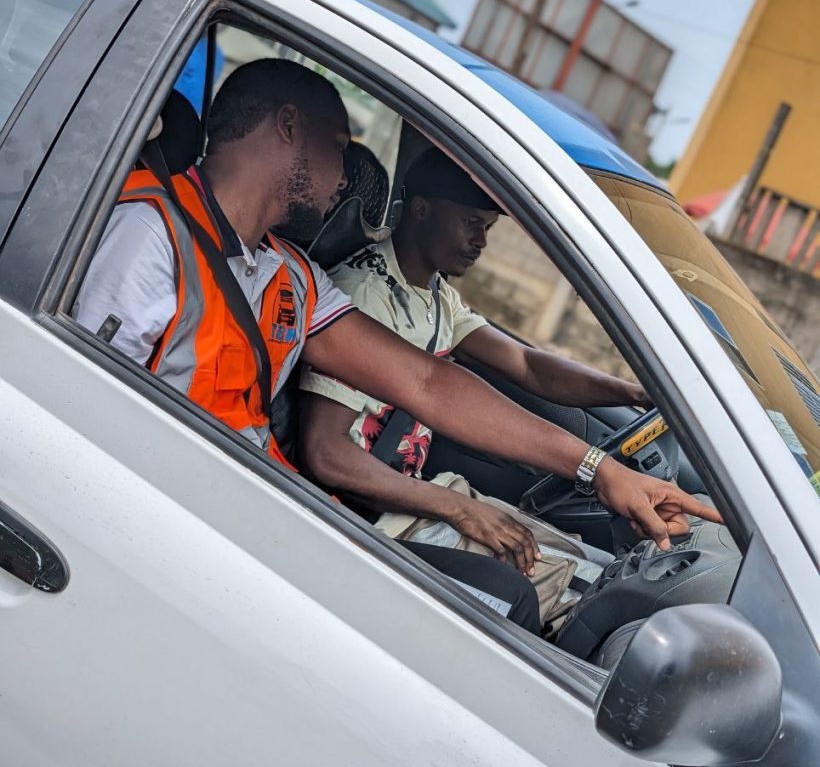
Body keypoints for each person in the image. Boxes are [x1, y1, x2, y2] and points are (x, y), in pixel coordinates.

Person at [73, 58, 719, 627]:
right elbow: (78, 419)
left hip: (260, 508)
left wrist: (598, 468)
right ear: (288, 129)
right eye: (339, 145)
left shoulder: (291, 276)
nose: (351, 173)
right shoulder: (148, 240)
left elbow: (427, 383)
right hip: (169, 524)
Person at [298, 148, 656, 624]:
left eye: (487, 228)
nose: (480, 241)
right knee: (586, 603)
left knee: (606, 572)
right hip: (376, 520)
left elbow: (527, 366)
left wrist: (635, 393)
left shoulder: (436, 295)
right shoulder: (364, 292)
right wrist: (455, 509)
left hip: (424, 495)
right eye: (470, 222)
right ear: (421, 209)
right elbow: (325, 452)